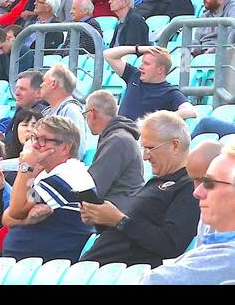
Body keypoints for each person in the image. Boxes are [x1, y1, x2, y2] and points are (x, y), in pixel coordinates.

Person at [80, 110, 200, 267]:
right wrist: (100, 218)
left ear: (175, 145)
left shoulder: (189, 187)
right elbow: (129, 229)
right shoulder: (156, 182)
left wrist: (120, 221)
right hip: (98, 268)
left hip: (123, 273)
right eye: (144, 148)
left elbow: (170, 244)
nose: (145, 156)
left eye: (150, 148)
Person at [2, 115, 96, 260]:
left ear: (65, 148)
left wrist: (25, 167)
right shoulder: (46, 175)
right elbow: (7, 218)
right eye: (35, 138)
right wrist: (26, 220)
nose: (35, 145)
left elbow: (15, 211)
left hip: (50, 266)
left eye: (44, 140)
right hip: (29, 262)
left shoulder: (68, 175)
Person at [143, 141, 235, 284]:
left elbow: (157, 281)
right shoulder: (211, 226)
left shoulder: (228, 258)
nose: (197, 192)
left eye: (209, 183)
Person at [104, 44, 198, 122]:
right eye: (142, 62)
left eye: (146, 64)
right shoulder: (134, 75)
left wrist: (158, 120)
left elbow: (191, 111)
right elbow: (108, 54)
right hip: (117, 132)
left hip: (139, 139)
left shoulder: (169, 92)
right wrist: (138, 49)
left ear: (160, 69)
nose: (141, 67)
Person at [83, 89, 144, 207]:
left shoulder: (117, 140)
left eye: (85, 115)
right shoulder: (116, 137)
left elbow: (93, 187)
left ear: (92, 113)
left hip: (119, 215)